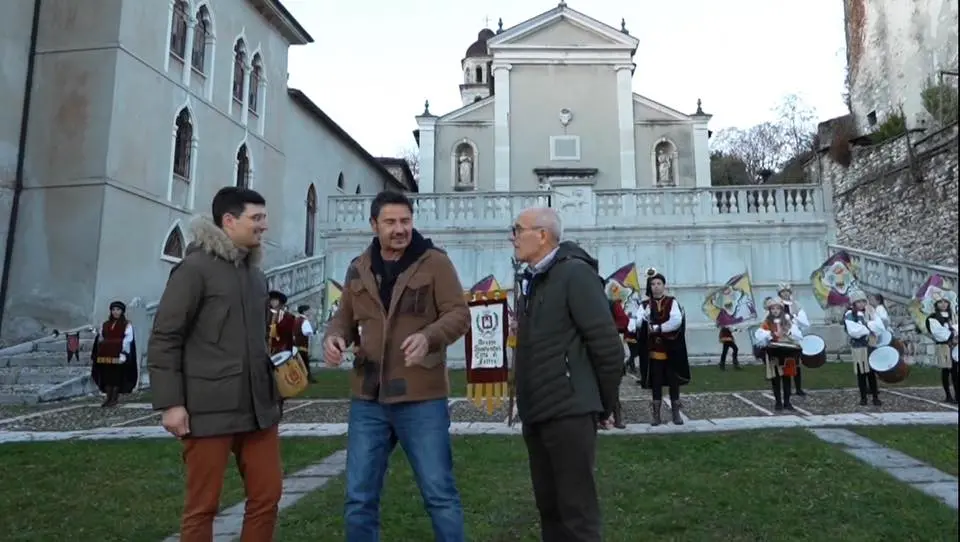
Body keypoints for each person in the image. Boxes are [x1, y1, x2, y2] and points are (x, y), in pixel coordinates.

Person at [322, 190, 470, 542]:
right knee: (359, 497)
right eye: (390, 222)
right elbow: (342, 317)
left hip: (421, 396)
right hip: (368, 398)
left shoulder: (435, 262)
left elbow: (458, 313)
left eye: (405, 220)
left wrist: (429, 336)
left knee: (439, 494)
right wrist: (334, 337)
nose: (400, 229)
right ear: (374, 224)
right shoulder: (359, 267)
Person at [148, 186, 282, 542]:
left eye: (264, 218)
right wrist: (171, 404)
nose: (264, 226)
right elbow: (165, 337)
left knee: (267, 496)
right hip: (208, 409)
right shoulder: (194, 269)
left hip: (258, 409)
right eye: (256, 218)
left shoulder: (256, 275)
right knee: (202, 507)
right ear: (228, 221)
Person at [509, 207, 623, 541]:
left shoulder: (575, 274)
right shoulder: (534, 278)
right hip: (538, 411)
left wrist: (603, 403)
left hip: (569, 411)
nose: (513, 238)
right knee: (550, 509)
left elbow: (606, 345)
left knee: (577, 513)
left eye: (518, 230)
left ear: (542, 235)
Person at [628, 269, 691, 426]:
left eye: (658, 283)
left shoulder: (672, 302)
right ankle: (656, 415)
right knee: (655, 382)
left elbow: (676, 321)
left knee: (673, 380)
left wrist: (658, 328)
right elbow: (636, 324)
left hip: (671, 349)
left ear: (664, 286)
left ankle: (676, 413)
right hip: (654, 351)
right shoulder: (644, 305)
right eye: (653, 284)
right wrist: (642, 319)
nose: (656, 286)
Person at [754, 297, 803, 411]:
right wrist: (771, 334)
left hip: (787, 352)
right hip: (774, 352)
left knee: (787, 378)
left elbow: (798, 335)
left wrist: (788, 332)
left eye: (777, 308)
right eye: (773, 309)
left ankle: (787, 402)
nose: (775, 311)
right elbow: (759, 335)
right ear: (770, 310)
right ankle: (778, 403)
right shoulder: (767, 322)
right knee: (775, 379)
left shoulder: (787, 321)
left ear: (781, 309)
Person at [89, 300, 139, 407]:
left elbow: (128, 339)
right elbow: (101, 337)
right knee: (107, 376)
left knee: (116, 377)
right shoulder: (106, 324)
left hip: (118, 354)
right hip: (106, 354)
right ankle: (108, 397)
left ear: (122, 311)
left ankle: (114, 398)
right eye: (113, 310)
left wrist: (123, 352)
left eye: (118, 310)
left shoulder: (126, 325)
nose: (115, 312)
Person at [843, 291, 884, 406]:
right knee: (861, 372)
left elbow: (879, 326)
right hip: (859, 347)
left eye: (863, 301)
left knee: (871, 373)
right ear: (854, 303)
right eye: (858, 302)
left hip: (870, 346)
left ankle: (875, 397)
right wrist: (869, 327)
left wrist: (868, 326)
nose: (861, 304)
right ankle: (863, 397)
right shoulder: (850, 314)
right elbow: (854, 331)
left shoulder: (870, 312)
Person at [925, 294, 958, 404]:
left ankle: (957, 395)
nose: (943, 304)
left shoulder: (953, 315)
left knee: (955, 371)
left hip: (956, 346)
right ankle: (948, 395)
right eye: (940, 302)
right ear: (936, 304)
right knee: (946, 370)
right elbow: (937, 331)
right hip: (944, 345)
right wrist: (952, 337)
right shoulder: (933, 317)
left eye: (945, 301)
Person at [777, 283, 809, 396]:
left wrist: (793, 318)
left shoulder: (796, 305)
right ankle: (786, 389)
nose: (785, 293)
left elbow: (805, 322)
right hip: (782, 338)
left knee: (796, 363)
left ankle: (798, 388)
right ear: (780, 293)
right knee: (783, 363)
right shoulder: (776, 305)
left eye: (787, 291)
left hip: (794, 337)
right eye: (783, 292)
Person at [293, 304, 316, 382]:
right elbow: (308, 335)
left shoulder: (296, 320)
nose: (310, 312)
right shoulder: (305, 321)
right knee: (305, 364)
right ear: (305, 312)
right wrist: (311, 349)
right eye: (309, 310)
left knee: (299, 364)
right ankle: (307, 378)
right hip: (303, 346)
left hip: (296, 346)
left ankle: (302, 378)